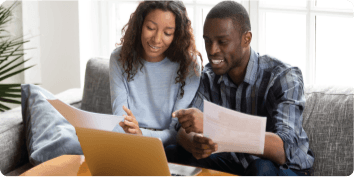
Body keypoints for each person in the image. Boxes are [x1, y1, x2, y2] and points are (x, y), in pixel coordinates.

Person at [166, 1, 315, 176]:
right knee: (172, 152)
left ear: (247, 39)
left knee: (261, 168)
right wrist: (195, 143)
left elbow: (283, 150)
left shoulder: (283, 76)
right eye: (208, 41)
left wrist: (214, 125)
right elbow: (182, 130)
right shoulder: (208, 76)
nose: (212, 50)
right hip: (236, 165)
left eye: (222, 42)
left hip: (284, 168)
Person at [109, 0, 203, 147]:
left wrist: (141, 134)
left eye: (167, 33)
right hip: (127, 141)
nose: (157, 39)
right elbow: (119, 120)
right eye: (151, 28)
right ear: (140, 25)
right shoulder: (120, 58)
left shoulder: (189, 65)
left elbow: (175, 132)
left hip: (166, 146)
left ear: (176, 34)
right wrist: (131, 133)